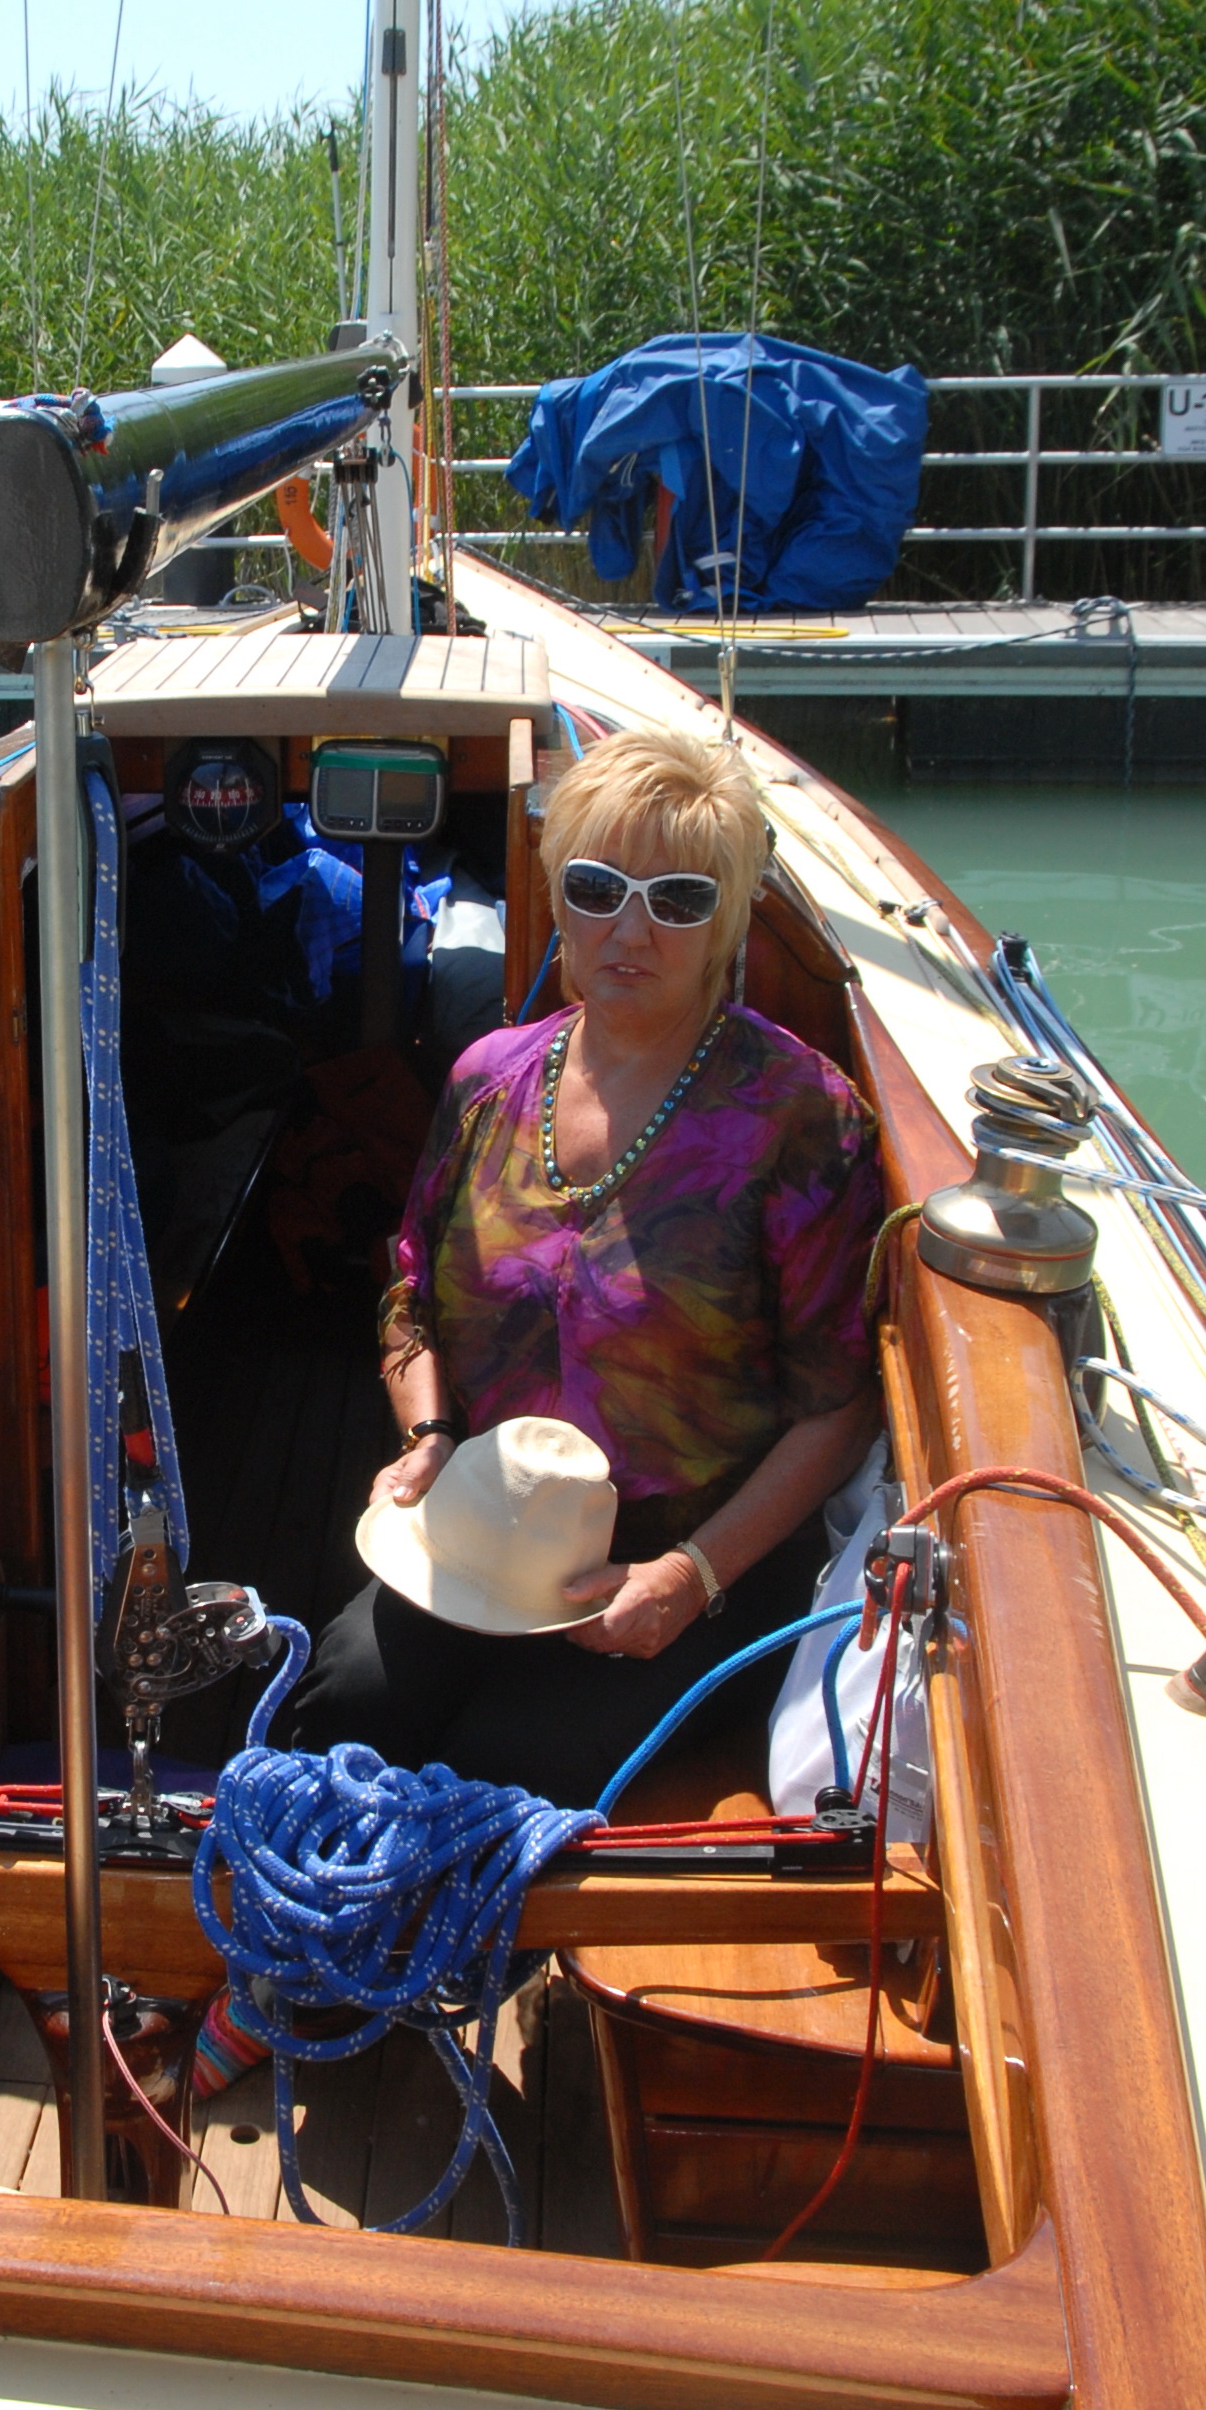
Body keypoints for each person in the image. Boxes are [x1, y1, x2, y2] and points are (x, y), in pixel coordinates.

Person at [280, 718, 884, 1812]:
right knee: (336, 1708)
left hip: (683, 1566)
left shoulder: (798, 1117)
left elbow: (836, 1407)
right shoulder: (488, 1081)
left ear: (730, 916)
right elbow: (411, 1290)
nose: (630, 930)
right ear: (556, 892)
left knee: (507, 1764)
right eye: (599, 887)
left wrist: (689, 1577)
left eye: (680, 899)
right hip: (483, 1528)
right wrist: (427, 1435)